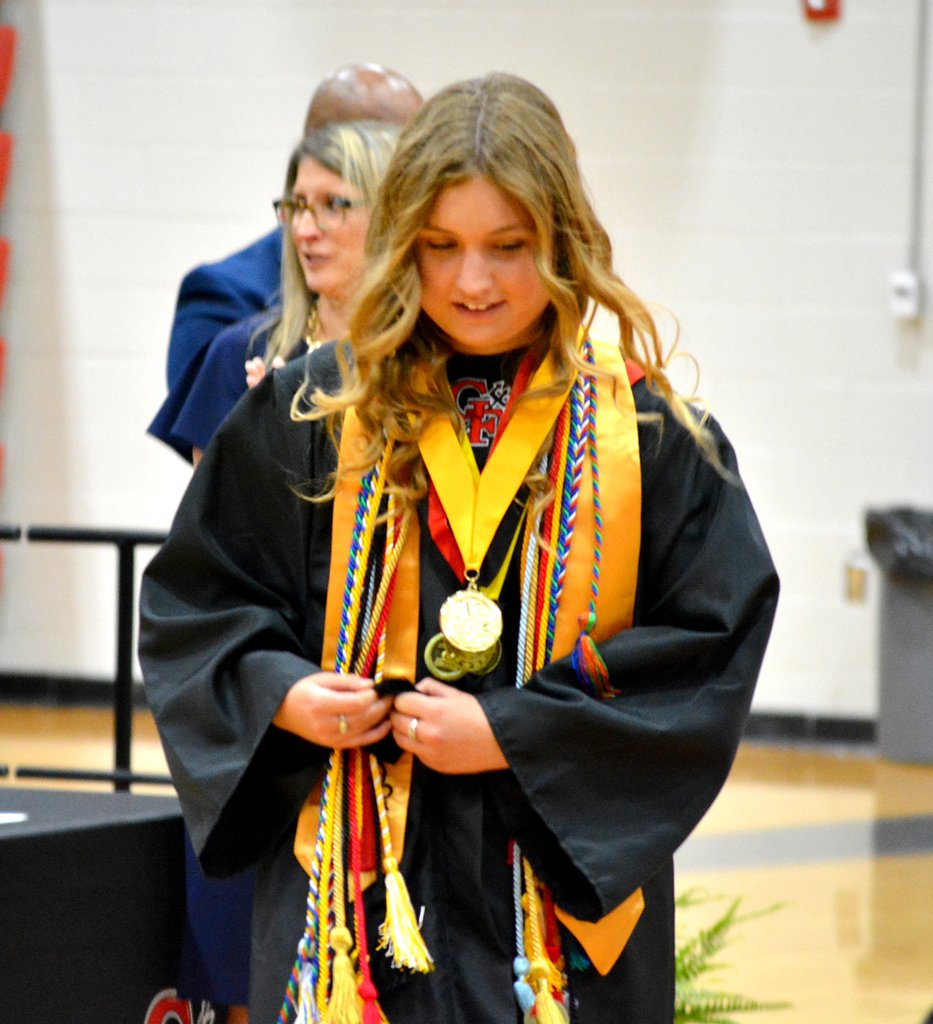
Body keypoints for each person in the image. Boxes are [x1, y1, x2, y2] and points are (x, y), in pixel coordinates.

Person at [140, 72, 779, 1023]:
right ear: (403, 242)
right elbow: (200, 602)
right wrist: (284, 695)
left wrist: (514, 735)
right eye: (440, 248)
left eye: (507, 247)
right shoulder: (316, 408)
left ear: (561, 239)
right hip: (350, 911)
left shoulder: (646, 434)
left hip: (555, 934)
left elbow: (705, 651)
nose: (472, 282)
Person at [151, 62, 422, 460]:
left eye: (334, 205)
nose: (305, 230)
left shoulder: (438, 346)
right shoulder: (241, 342)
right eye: (301, 206)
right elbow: (215, 514)